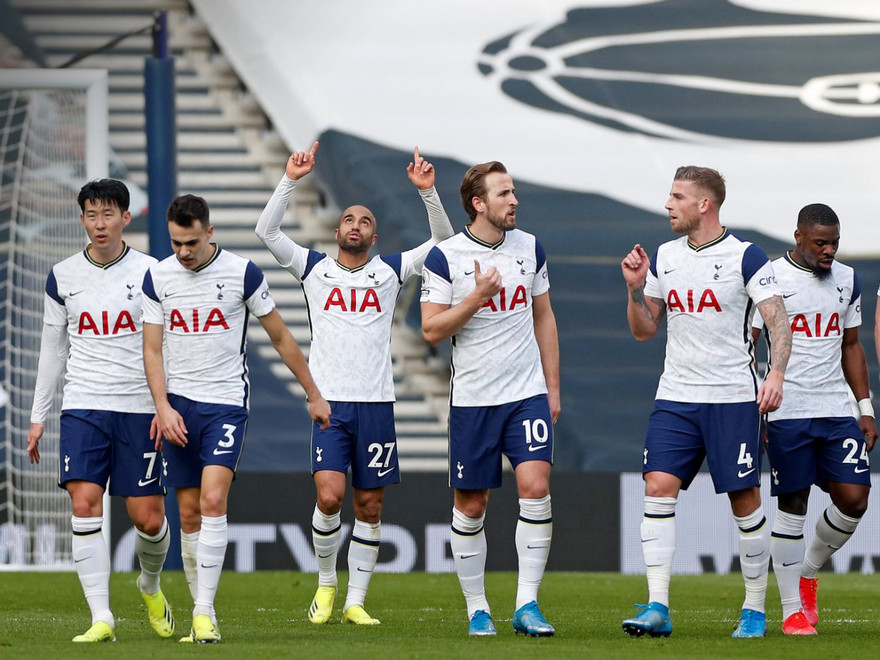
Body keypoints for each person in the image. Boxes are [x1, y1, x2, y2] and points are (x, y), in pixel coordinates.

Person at [255, 142, 454, 625]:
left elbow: (445, 243)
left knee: (369, 504)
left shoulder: (389, 270)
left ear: (373, 234)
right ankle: (326, 584)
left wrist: (428, 193)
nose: (355, 226)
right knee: (329, 497)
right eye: (349, 219)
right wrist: (291, 179)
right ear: (338, 228)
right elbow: (267, 230)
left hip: (377, 405)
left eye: (364, 221)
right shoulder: (314, 269)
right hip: (329, 404)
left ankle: (355, 602)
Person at [142, 193, 331, 643]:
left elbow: (281, 336)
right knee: (187, 513)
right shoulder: (158, 277)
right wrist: (162, 406)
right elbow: (151, 349)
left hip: (225, 405)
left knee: (211, 501)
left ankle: (204, 614)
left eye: (190, 242)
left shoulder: (242, 273)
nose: (183, 252)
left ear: (210, 232)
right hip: (178, 409)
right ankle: (197, 612)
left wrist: (313, 392)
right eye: (175, 243)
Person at [620, 165, 792, 639]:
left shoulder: (746, 256)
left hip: (732, 399)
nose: (668, 204)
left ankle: (754, 609)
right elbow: (644, 329)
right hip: (675, 397)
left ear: (704, 204)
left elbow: (778, 322)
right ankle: (657, 606)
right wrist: (635, 288)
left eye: (677, 196)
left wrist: (774, 373)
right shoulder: (665, 255)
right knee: (657, 487)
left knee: (744, 500)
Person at [27, 179, 174, 643]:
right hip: (84, 406)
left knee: (148, 519)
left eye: (108, 214)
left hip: (137, 407)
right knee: (84, 504)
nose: (99, 223)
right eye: (91, 215)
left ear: (126, 218)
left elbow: (169, 346)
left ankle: (149, 583)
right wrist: (39, 415)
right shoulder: (63, 275)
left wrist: (164, 404)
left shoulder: (153, 272)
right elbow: (52, 349)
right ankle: (101, 617)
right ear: (83, 219)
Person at [420, 161, 561, 637]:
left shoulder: (530, 247)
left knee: (536, 488)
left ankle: (527, 604)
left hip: (526, 394)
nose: (514, 200)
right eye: (504, 194)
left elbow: (544, 317)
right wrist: (476, 297)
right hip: (475, 399)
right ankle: (478, 607)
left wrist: (552, 387)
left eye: (514, 191)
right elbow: (431, 329)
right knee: (473, 504)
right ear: (479, 204)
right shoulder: (446, 257)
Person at [752, 203, 876, 636]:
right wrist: (758, 399)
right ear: (799, 237)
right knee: (793, 506)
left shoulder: (846, 278)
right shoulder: (769, 278)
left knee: (855, 498)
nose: (829, 251)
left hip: (837, 410)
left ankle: (809, 571)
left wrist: (864, 407)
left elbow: (852, 345)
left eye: (835, 243)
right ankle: (792, 612)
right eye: (821, 243)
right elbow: (748, 343)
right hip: (788, 411)